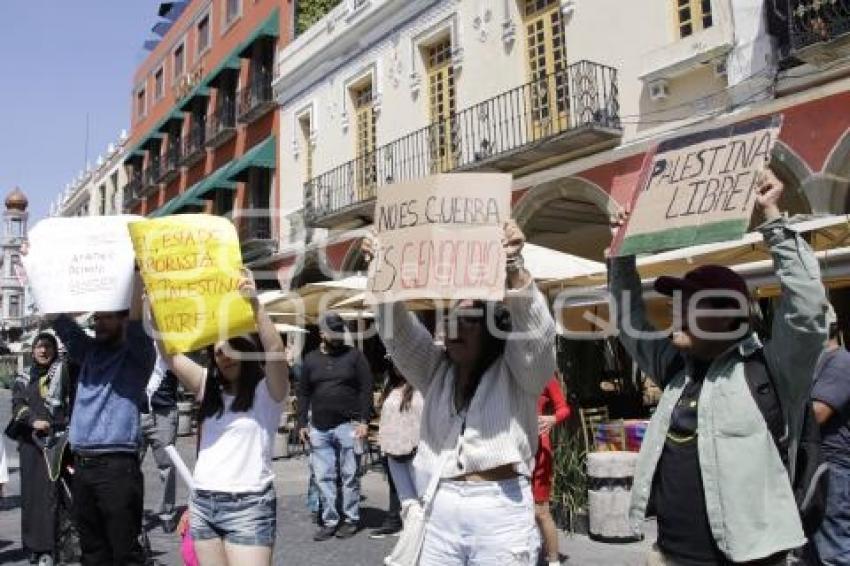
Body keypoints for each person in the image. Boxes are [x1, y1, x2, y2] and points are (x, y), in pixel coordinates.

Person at [608, 169, 829, 565]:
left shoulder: (771, 371)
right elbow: (630, 322)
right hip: (670, 556)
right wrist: (621, 253)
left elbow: (808, 309)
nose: (677, 312)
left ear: (730, 319)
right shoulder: (674, 368)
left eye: (693, 303)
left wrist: (773, 219)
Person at [366, 219, 557, 565]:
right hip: (440, 506)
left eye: (468, 320)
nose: (454, 327)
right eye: (450, 319)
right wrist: (381, 273)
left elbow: (537, 340)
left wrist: (514, 269)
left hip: (500, 511)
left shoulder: (517, 373)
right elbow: (398, 333)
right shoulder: (436, 370)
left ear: (490, 330)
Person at [159, 272, 288, 566]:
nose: (224, 357)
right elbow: (170, 356)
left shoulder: (268, 392)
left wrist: (255, 305)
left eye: (231, 349)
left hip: (249, 506)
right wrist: (157, 311)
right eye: (218, 353)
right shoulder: (207, 387)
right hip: (204, 502)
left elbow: (275, 350)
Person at [48, 271, 154, 566]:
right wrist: (35, 270)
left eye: (107, 317)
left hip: (117, 467)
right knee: (92, 552)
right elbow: (60, 322)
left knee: (125, 553)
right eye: (97, 317)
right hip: (82, 465)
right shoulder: (90, 351)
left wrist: (134, 275)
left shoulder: (137, 355)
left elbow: (135, 322)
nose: (98, 322)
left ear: (122, 320)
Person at [297, 312, 373, 541]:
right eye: (333, 331)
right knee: (323, 477)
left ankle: (350, 519)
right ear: (321, 333)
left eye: (341, 330)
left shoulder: (355, 356)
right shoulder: (310, 359)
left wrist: (364, 421)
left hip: (349, 425)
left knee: (350, 475)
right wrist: (300, 422)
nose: (338, 334)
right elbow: (303, 393)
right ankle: (330, 520)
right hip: (319, 427)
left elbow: (366, 389)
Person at [10, 332, 73, 565]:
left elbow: (71, 402)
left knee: (55, 496)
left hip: (58, 444)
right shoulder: (23, 378)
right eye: (39, 346)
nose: (43, 351)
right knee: (32, 498)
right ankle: (34, 547)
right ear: (33, 350)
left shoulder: (63, 373)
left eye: (48, 346)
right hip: (31, 446)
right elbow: (17, 406)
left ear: (54, 350)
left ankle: (54, 546)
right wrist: (33, 420)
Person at [810, 307, 850, 565]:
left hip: (834, 464)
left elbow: (818, 413)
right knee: (811, 548)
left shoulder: (841, 362)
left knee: (833, 549)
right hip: (817, 463)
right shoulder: (815, 363)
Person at [371, 361, 424, 539]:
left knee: (422, 496)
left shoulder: (421, 386)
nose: (397, 366)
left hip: (416, 450)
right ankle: (409, 534)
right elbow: (385, 418)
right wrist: (382, 443)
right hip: (392, 449)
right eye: (394, 363)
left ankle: (423, 535)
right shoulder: (391, 387)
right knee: (405, 498)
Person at [140, 344, 180, 532]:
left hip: (164, 411)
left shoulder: (173, 343)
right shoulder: (134, 338)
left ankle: (167, 512)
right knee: (128, 467)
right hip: (137, 411)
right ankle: (130, 512)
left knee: (167, 466)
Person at [533, 376, 571, 566]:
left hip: (539, 451)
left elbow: (564, 409)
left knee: (541, 511)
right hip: (514, 451)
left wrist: (552, 418)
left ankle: (554, 561)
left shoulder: (545, 375)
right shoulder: (509, 371)